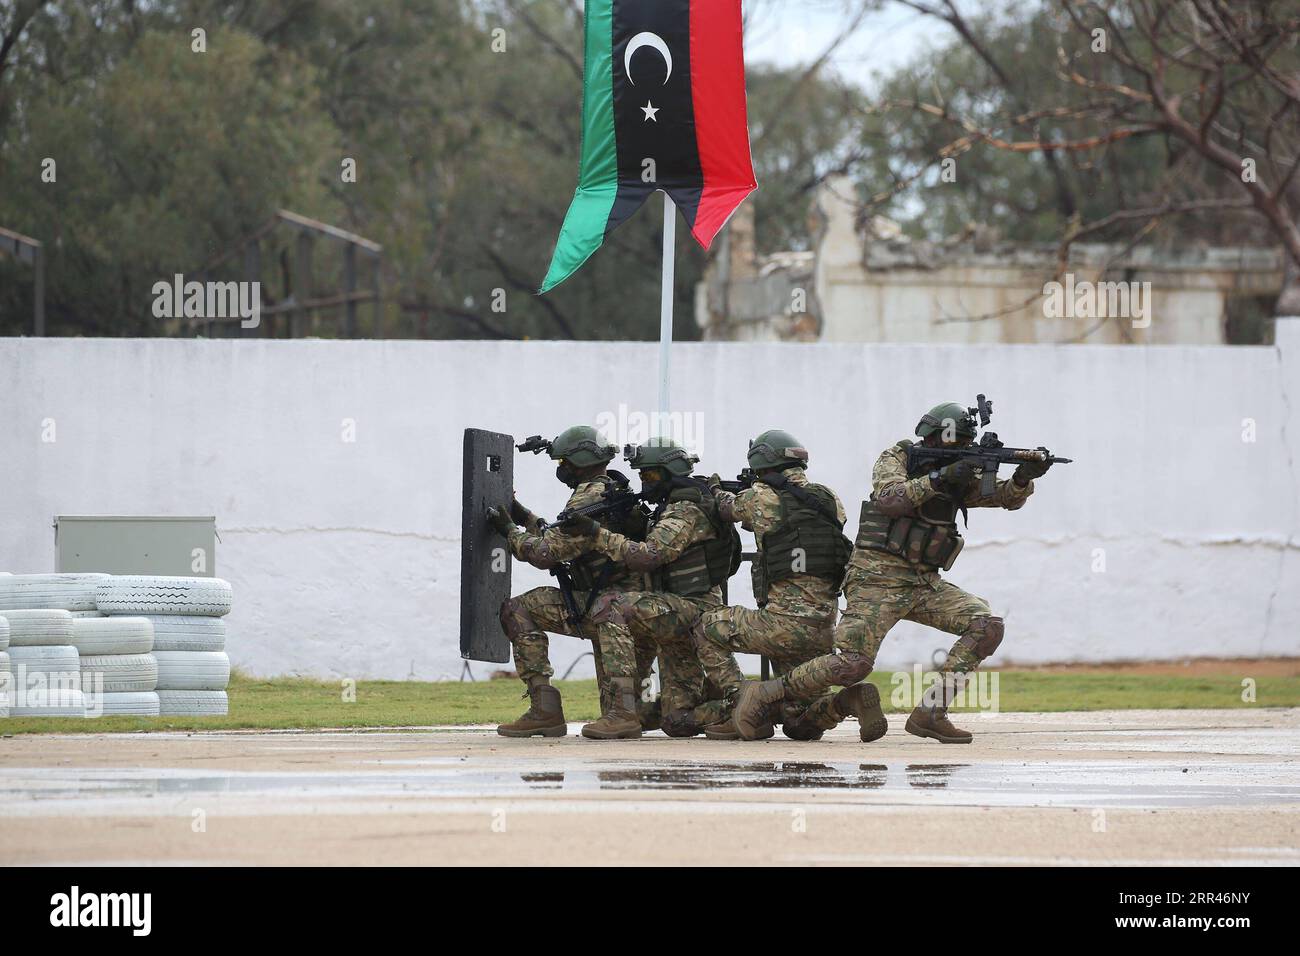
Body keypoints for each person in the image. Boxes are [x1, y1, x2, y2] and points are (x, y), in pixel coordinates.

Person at [731, 403, 1053, 743]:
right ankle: (767, 693)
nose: (959, 450)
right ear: (932, 437)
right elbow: (890, 499)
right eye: (953, 443)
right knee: (853, 664)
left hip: (924, 583)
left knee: (986, 626)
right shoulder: (897, 457)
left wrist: (1022, 479)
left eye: (964, 444)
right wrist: (939, 478)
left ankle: (932, 711)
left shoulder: (961, 472)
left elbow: (999, 496)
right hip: (876, 578)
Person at [689, 430, 868, 742]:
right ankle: (845, 702)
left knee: (705, 627)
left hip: (779, 627)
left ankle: (742, 702)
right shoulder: (829, 498)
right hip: (823, 629)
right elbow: (793, 523)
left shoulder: (761, 497)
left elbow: (726, 509)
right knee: (800, 721)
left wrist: (715, 487)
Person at [563, 437, 737, 739]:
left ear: (671, 472)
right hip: (675, 614)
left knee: (611, 606)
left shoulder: (685, 508)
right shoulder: (672, 505)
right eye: (642, 475)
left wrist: (596, 533)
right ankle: (744, 707)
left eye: (651, 475)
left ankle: (621, 715)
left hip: (692, 611)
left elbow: (649, 556)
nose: (645, 483)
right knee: (677, 722)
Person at [487, 425, 654, 738]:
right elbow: (563, 537)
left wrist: (509, 531)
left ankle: (544, 710)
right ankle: (628, 713)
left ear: (580, 461)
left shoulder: (587, 497)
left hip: (604, 609)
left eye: (564, 463)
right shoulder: (612, 490)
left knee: (517, 609)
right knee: (622, 714)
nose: (561, 470)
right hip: (630, 609)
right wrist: (524, 518)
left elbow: (546, 553)